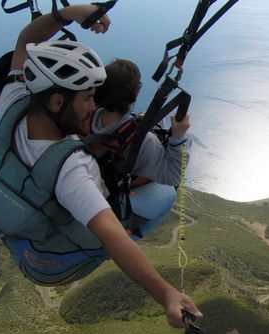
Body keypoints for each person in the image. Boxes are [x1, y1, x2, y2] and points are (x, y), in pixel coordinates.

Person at [0, 3, 202, 328]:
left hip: (18, 234)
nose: (92, 105)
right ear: (57, 102)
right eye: (86, 98)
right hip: (51, 264)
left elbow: (24, 40)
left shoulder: (15, 101)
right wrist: (166, 294)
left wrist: (69, 13)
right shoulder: (71, 169)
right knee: (164, 194)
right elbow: (112, 236)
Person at [81, 58, 191, 229]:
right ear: (133, 95)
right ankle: (126, 234)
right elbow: (173, 176)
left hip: (89, 188)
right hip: (110, 200)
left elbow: (114, 127)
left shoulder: (84, 117)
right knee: (168, 193)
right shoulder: (143, 142)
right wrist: (179, 135)